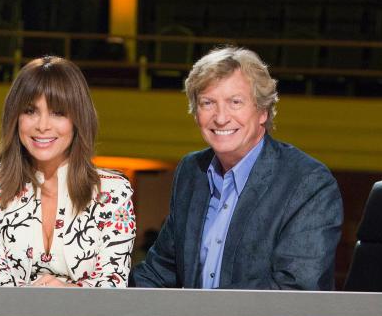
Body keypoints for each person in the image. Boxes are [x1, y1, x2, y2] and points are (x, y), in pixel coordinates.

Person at [131, 46, 343, 290]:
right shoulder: (192, 171)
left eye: (235, 102)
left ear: (262, 111)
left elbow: (295, 290)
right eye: (208, 103)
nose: (221, 118)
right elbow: (160, 271)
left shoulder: (308, 182)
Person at [0, 56, 135, 287]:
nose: (43, 125)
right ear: (15, 118)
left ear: (78, 119)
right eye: (30, 111)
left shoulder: (113, 193)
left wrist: (66, 294)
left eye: (58, 112)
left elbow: (113, 282)